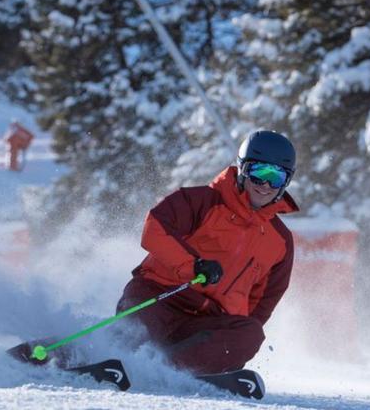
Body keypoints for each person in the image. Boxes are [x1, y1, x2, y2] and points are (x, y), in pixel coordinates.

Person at [116, 130, 299, 375]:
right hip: (159, 298)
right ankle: (83, 354)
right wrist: (194, 265)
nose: (265, 185)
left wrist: (230, 342)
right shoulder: (201, 201)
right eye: (258, 173)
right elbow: (155, 229)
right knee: (134, 338)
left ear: (286, 181)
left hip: (205, 322)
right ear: (243, 169)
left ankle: (169, 370)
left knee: (250, 333)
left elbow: (263, 300)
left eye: (275, 177)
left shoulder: (280, 240)